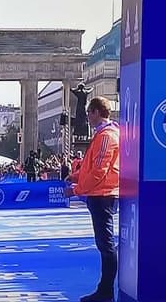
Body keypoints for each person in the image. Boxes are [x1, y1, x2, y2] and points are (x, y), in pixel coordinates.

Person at [65, 96, 119, 302]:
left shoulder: (106, 136)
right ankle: (104, 290)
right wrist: (77, 176)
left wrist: (76, 190)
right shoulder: (104, 135)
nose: (87, 116)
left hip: (102, 194)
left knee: (106, 245)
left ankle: (106, 292)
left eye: (88, 112)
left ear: (96, 112)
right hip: (100, 193)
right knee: (103, 244)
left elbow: (99, 170)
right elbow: (92, 166)